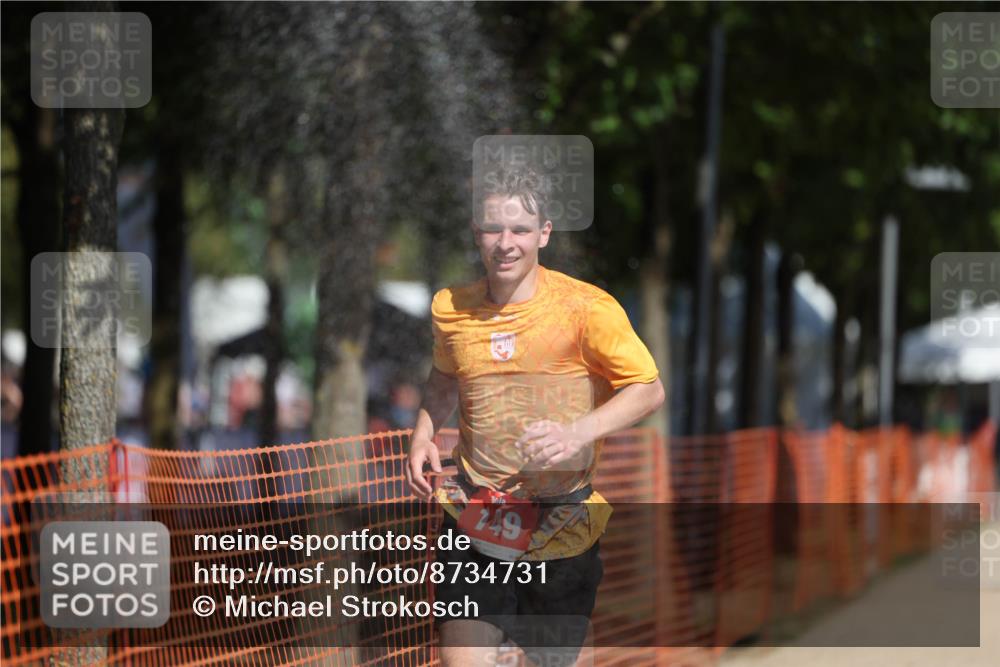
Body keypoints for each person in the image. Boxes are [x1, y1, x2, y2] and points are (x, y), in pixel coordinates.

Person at [405, 166, 665, 667]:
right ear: (475, 231)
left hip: (560, 514)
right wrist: (423, 434)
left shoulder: (586, 309)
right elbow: (443, 378)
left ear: (543, 232)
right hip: (478, 508)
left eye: (520, 229)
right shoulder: (452, 308)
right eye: (492, 228)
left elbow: (648, 390)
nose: (505, 243)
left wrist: (577, 432)